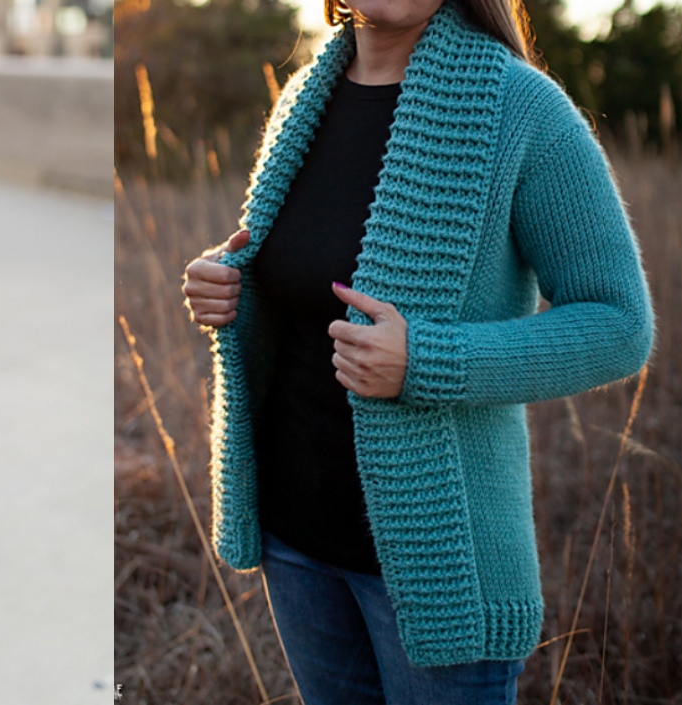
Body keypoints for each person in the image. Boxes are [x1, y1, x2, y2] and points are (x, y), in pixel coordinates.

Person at [182, 0, 654, 702]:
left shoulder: (520, 110)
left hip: (441, 570)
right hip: (297, 539)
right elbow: (299, 281)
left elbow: (618, 323)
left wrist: (426, 359)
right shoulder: (303, 99)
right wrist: (230, 288)